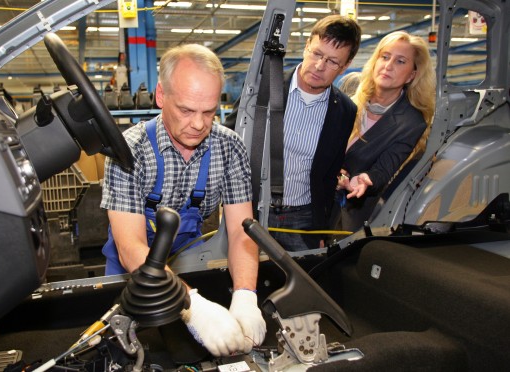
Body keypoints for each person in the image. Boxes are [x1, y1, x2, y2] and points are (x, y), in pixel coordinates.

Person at [100, 44, 266, 357]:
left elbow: (242, 231)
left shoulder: (229, 148)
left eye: (209, 111)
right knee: (124, 347)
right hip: (131, 268)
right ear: (162, 97)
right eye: (187, 110)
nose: (200, 124)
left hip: (186, 260)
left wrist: (246, 294)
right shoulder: (129, 151)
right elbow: (130, 248)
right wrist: (194, 306)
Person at [225, 15, 362, 251]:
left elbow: (328, 177)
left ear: (346, 66)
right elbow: (228, 138)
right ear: (307, 45)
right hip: (252, 210)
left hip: (303, 221)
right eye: (317, 54)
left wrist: (321, 227)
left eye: (332, 62)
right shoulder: (263, 88)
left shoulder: (345, 111)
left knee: (301, 283)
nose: (319, 66)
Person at [334, 31, 436, 231]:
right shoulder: (349, 89)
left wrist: (365, 179)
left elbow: (384, 168)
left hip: (351, 213)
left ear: (412, 75)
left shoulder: (411, 122)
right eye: (385, 57)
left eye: (400, 61)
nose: (388, 66)